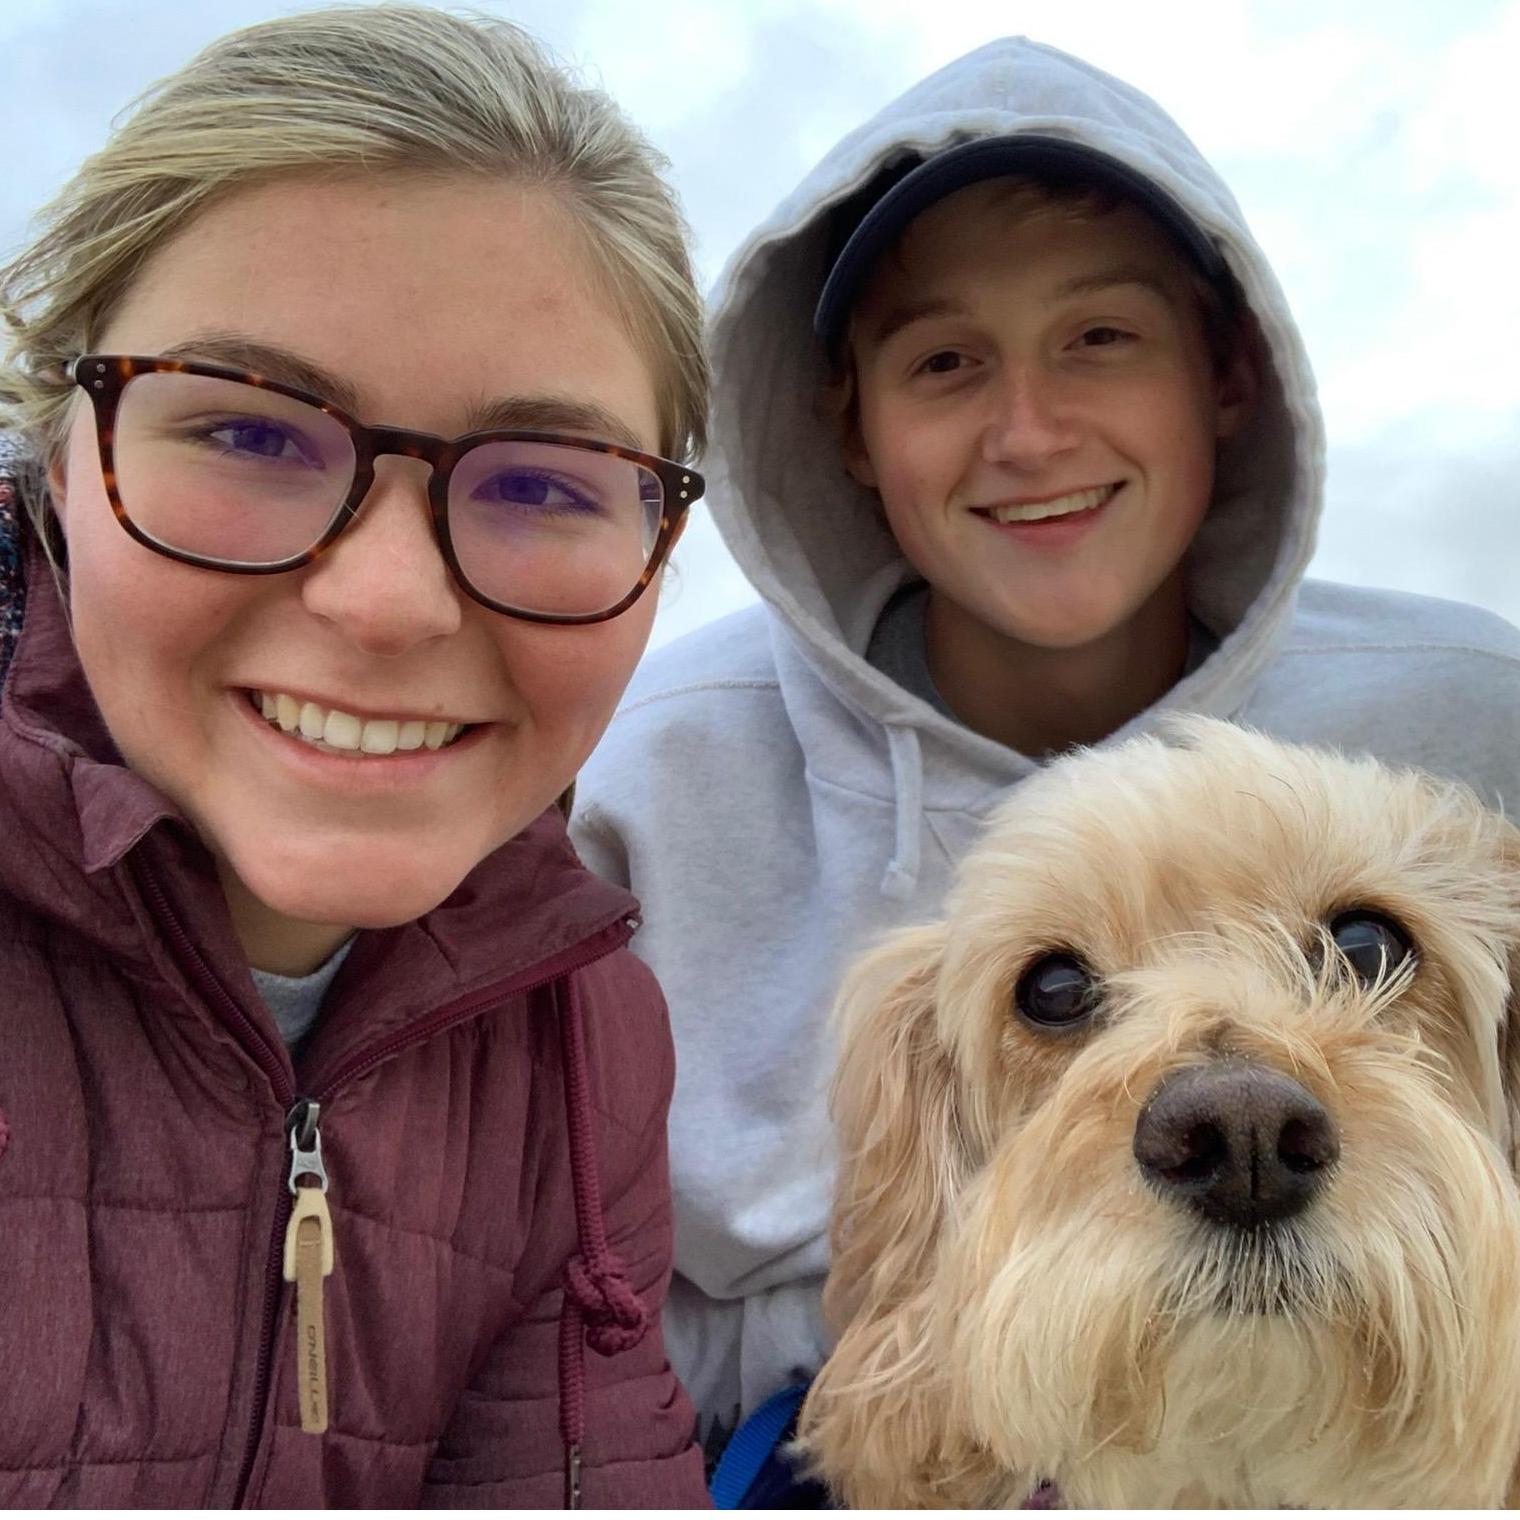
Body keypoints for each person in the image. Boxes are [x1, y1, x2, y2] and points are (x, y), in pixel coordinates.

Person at [570, 34, 1520, 1476]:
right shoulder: (648, 767)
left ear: (1228, 374)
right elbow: (598, 1297)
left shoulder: (1477, 708)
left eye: (1101, 338)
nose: (1028, 432)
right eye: (946, 362)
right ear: (849, 425)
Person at [0, 6, 712, 1507]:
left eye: (542, 481)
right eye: (249, 434)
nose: (386, 602)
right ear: (57, 456)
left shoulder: (588, 1050)